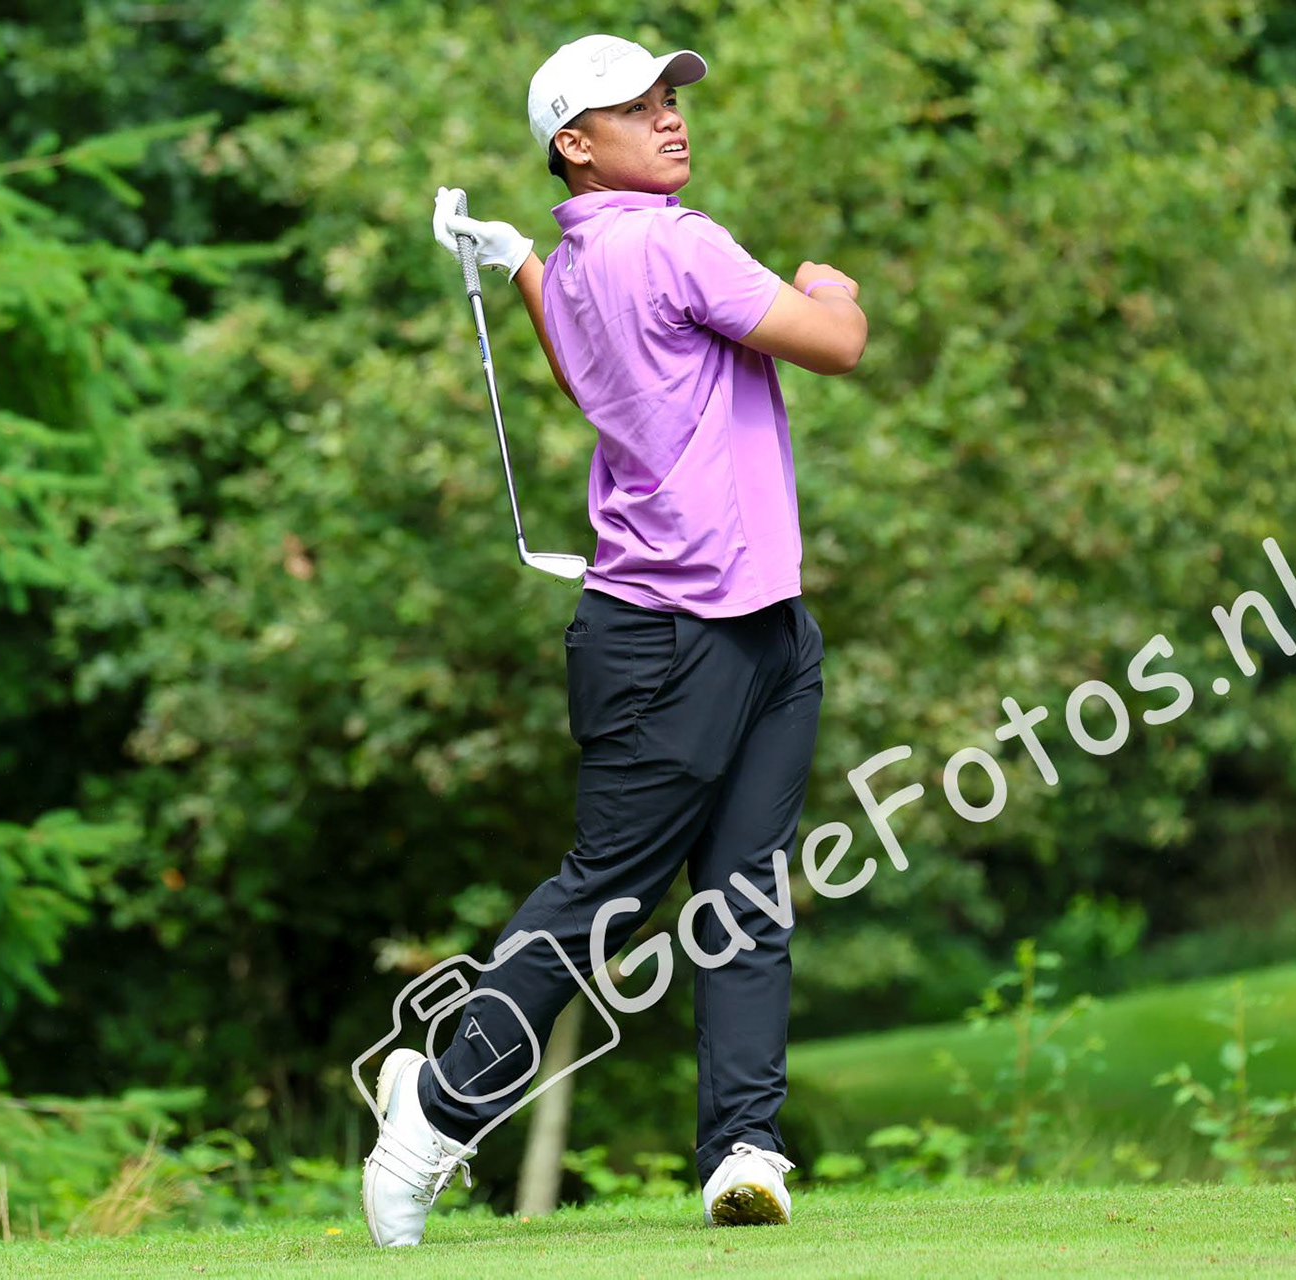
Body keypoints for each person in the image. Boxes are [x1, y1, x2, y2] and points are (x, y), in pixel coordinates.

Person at [361, 32, 867, 1248]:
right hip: (673, 634)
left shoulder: (585, 257)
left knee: (745, 892)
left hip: (758, 624)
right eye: (635, 111)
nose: (670, 120)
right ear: (576, 145)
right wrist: (833, 284)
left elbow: (583, 368)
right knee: (608, 896)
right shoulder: (679, 241)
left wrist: (520, 260)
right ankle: (431, 1111)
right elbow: (836, 343)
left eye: (670, 100)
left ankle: (744, 1146)